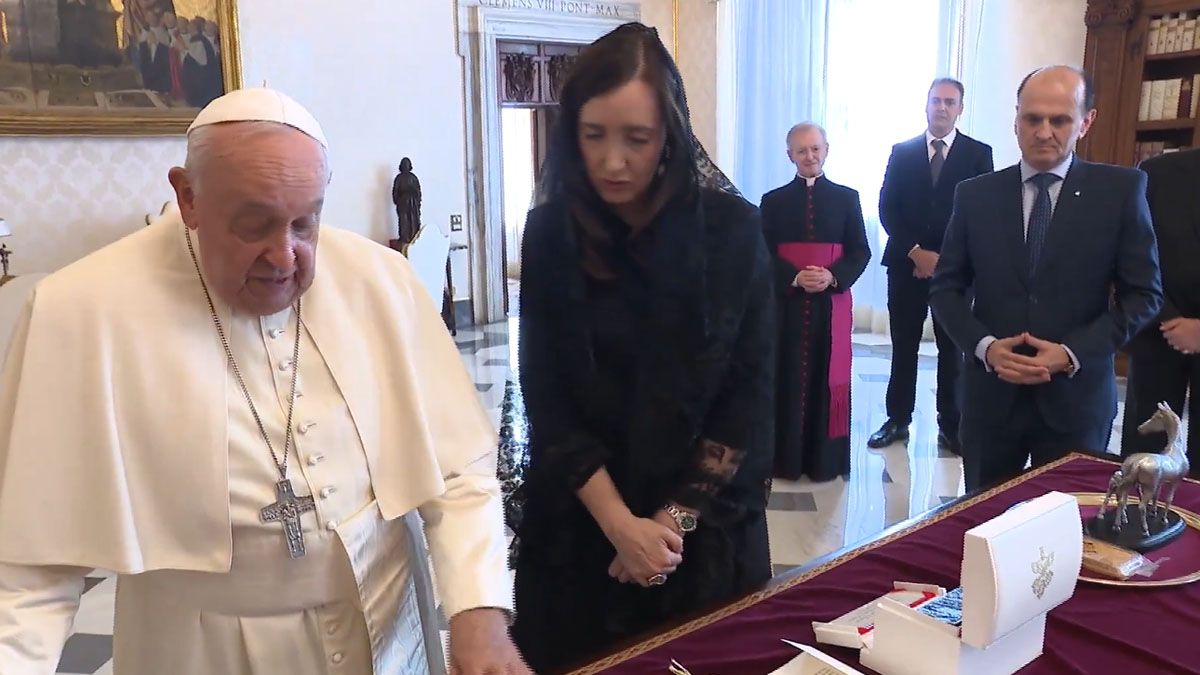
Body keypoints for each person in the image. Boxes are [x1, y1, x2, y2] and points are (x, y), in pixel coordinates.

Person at [0, 88, 529, 675]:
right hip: (202, 654)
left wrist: (478, 613)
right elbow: (29, 570)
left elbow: (459, 472)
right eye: (253, 224)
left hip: (387, 635)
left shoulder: (381, 281)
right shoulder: (79, 310)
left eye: (306, 223)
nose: (284, 257)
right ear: (188, 197)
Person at [510, 22, 776, 673]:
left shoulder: (732, 232)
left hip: (700, 535)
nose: (612, 161)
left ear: (671, 136)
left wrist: (667, 528)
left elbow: (745, 396)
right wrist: (621, 528)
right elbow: (548, 394)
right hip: (581, 531)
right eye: (594, 135)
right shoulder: (551, 232)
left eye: (637, 138)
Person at [931, 66, 1162, 491]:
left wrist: (1071, 353)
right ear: (1015, 120)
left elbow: (1143, 294)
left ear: (1086, 122)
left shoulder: (1121, 191)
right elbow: (946, 289)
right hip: (991, 399)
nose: (1043, 132)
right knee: (985, 524)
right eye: (1032, 119)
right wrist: (985, 348)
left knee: (1067, 532)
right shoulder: (975, 195)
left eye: (1059, 120)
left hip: (1076, 400)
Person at [869, 78, 994, 453]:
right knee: (903, 344)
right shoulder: (902, 152)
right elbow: (887, 207)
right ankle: (897, 419)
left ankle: (951, 424)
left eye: (949, 102)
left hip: (955, 272)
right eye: (936, 101)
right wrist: (915, 251)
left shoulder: (977, 153)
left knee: (952, 348)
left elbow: (981, 214)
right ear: (926, 106)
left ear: (960, 109)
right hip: (906, 265)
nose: (941, 108)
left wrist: (943, 261)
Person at [762, 122, 870, 481]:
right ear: (789, 155)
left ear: (826, 150)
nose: (809, 156)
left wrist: (832, 275)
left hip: (830, 306)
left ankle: (826, 462)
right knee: (788, 376)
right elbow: (761, 252)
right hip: (788, 308)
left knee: (826, 378)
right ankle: (786, 460)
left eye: (815, 149)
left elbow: (860, 250)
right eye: (801, 150)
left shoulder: (847, 197)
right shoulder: (773, 201)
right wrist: (793, 276)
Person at [1121, 148, 1200, 472]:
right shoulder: (1157, 173)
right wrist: (1168, 318)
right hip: (1158, 334)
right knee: (1144, 459)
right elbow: (1132, 254)